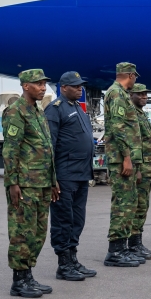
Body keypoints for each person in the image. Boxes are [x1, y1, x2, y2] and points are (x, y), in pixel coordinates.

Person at [2, 69, 60, 297]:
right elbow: (10, 150)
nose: (43, 87)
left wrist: (53, 180)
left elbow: (46, 148)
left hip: (43, 182)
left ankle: (28, 275)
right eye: (38, 84)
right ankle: (19, 280)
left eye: (44, 83)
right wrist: (12, 183)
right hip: (25, 184)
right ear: (25, 86)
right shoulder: (15, 112)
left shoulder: (37, 110)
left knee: (38, 232)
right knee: (22, 232)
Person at [45, 71, 96, 281]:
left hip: (81, 174)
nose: (80, 89)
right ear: (63, 87)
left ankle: (73, 258)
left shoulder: (79, 109)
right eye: (75, 86)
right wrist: (52, 177)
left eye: (80, 85)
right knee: (63, 220)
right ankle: (63, 264)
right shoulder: (55, 109)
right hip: (64, 175)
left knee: (77, 219)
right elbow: (50, 145)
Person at [102, 63, 145, 267]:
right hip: (120, 159)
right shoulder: (117, 94)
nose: (135, 80)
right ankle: (115, 251)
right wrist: (127, 157)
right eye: (134, 76)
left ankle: (123, 247)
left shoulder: (120, 93)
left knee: (129, 204)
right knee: (122, 204)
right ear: (129, 75)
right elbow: (118, 127)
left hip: (126, 158)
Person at [129, 84, 151, 260]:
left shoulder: (141, 114)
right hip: (141, 169)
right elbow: (135, 144)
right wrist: (137, 168)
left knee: (143, 207)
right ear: (131, 95)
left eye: (145, 94)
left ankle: (137, 243)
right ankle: (132, 245)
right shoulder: (132, 114)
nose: (144, 97)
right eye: (140, 94)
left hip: (148, 168)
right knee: (137, 206)